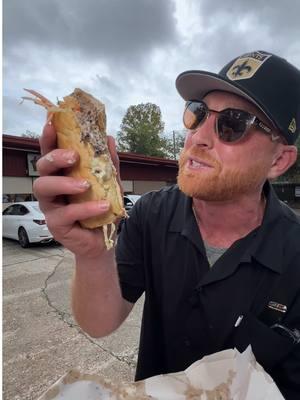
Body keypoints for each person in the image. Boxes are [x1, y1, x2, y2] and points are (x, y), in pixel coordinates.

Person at [34, 50, 300, 399]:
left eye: (233, 124)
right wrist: (92, 254)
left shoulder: (295, 251)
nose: (198, 138)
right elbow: (100, 323)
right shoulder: (152, 213)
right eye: (198, 113)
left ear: (279, 160)